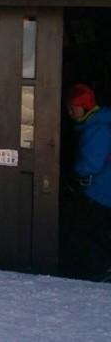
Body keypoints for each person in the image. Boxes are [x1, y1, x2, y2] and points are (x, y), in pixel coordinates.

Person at [64, 83, 111, 280]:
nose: (69, 112)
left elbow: (91, 163)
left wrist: (74, 175)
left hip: (100, 191)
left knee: (76, 233)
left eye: (73, 108)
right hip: (102, 190)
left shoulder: (97, 128)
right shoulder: (95, 122)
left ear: (84, 107)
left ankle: (102, 270)